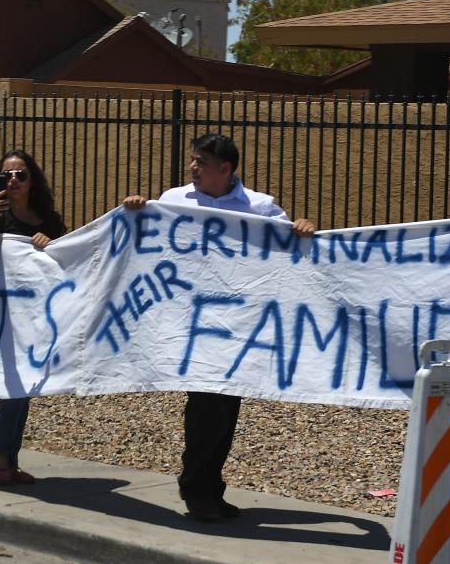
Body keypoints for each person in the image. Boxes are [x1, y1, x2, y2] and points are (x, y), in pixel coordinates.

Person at [123, 133, 316, 521]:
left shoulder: (258, 207)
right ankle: (195, 489)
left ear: (226, 169)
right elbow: (147, 238)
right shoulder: (174, 201)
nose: (193, 167)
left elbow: (287, 243)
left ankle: (211, 486)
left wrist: (303, 227)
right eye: (193, 160)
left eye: (201, 162)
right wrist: (136, 209)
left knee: (227, 408)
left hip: (238, 326)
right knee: (205, 407)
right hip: (194, 325)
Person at [0, 149, 67, 485]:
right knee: (14, 384)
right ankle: (0, 458)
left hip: (36, 313)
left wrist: (49, 243)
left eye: (20, 174)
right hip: (1, 311)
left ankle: (9, 458)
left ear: (32, 179)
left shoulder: (48, 218)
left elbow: (66, 257)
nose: (13, 180)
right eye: (7, 174)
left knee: (25, 386)